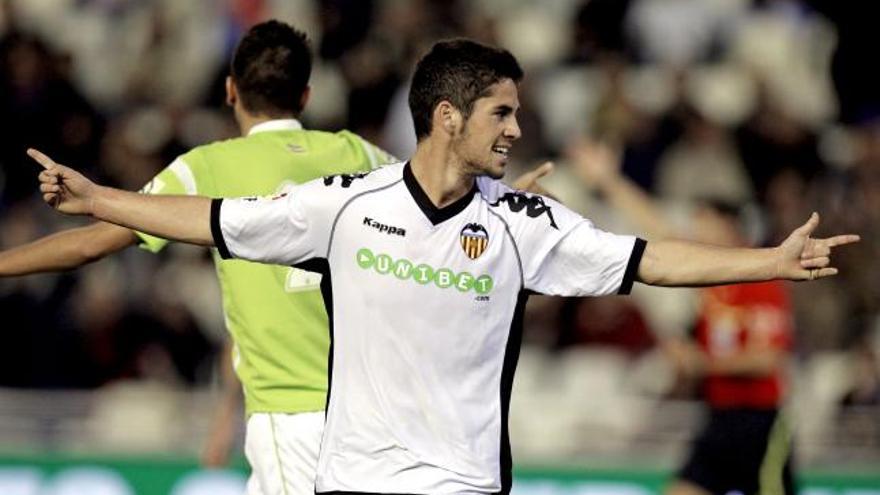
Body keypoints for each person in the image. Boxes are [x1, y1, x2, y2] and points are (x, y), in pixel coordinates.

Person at [28, 39, 858, 494]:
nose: (514, 127)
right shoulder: (348, 203)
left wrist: (770, 259)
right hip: (352, 486)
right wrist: (101, 197)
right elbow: (209, 220)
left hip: (463, 487)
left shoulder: (520, 223)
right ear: (449, 116)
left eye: (519, 112)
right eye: (502, 112)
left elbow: (648, 260)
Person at [1, 20, 399, 495]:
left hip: (290, 417)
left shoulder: (209, 167)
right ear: (306, 95)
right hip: (371, 414)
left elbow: (91, 243)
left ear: (231, 91)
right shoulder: (361, 156)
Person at [568, 140, 797, 495]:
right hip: (719, 418)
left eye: (703, 220)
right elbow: (658, 233)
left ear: (730, 226)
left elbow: (769, 358)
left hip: (760, 422)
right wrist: (608, 181)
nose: (695, 231)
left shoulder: (760, 280)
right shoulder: (710, 281)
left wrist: (700, 363)